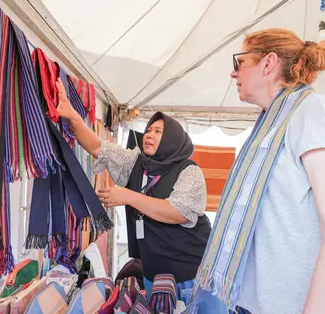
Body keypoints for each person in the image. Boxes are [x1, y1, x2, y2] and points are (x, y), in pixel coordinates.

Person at [187, 28, 325, 314]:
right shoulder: (268, 127)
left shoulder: (315, 112)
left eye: (239, 62)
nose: (233, 73)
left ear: (268, 64)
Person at [53, 78, 213, 306]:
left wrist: (127, 196)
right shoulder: (135, 162)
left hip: (190, 275)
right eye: (149, 129)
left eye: (158, 131)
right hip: (153, 274)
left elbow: (178, 212)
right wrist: (72, 115)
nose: (149, 134)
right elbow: (98, 146)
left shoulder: (189, 170)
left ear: (172, 139)